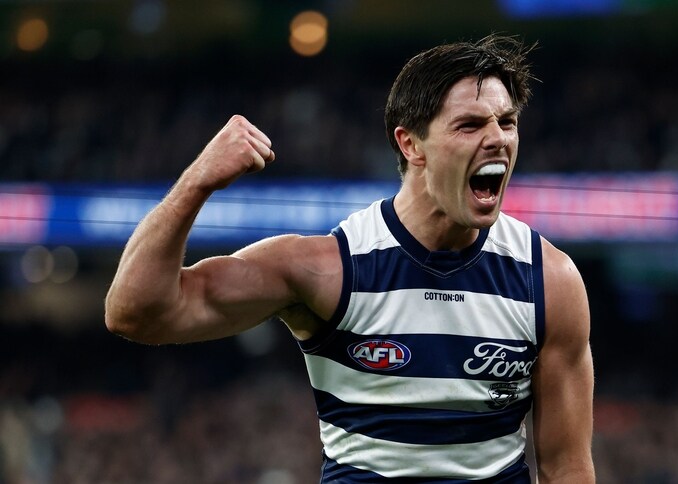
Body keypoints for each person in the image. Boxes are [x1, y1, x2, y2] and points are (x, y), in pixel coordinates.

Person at [105, 34, 594, 483]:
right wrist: (196, 182)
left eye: (507, 122)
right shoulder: (330, 267)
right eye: (470, 124)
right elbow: (137, 312)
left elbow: (567, 467)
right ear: (411, 144)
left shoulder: (548, 280)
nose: (499, 139)